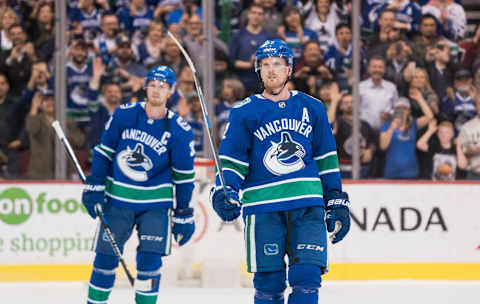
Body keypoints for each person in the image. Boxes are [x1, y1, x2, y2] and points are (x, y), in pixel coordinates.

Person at [210, 39, 350, 304]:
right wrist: (225, 189)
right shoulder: (244, 112)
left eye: (277, 64)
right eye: (265, 65)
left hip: (308, 206)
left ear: (289, 69)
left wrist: (335, 200)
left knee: (307, 278)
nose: (271, 70)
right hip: (264, 209)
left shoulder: (314, 107)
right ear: (258, 71)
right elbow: (232, 161)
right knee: (269, 284)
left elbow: (327, 160)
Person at [82, 65, 196, 304]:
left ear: (171, 91)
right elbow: (104, 153)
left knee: (149, 264)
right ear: (145, 87)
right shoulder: (124, 114)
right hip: (118, 201)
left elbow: (184, 176)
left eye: (162, 86)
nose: (156, 90)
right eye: (152, 84)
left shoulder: (180, 130)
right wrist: (95, 185)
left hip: (155, 206)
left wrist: (183, 211)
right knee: (105, 260)